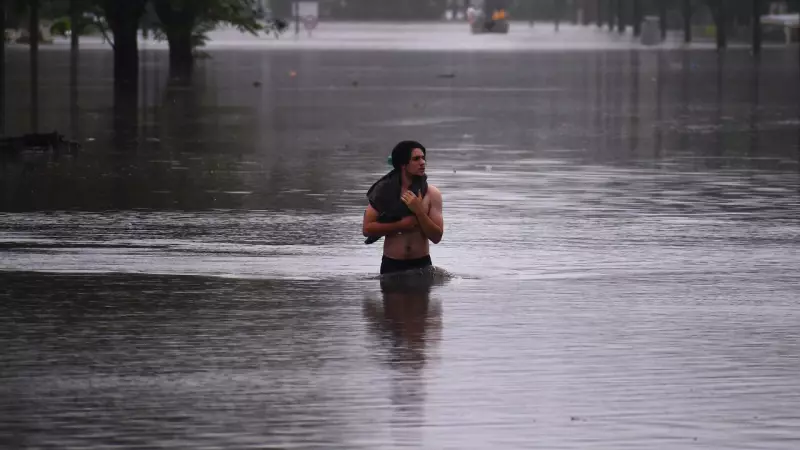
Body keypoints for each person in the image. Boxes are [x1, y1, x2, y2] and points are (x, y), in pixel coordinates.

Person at [362, 141, 444, 275]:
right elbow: (367, 229)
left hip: (421, 265)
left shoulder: (431, 193)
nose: (422, 162)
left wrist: (419, 211)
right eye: (416, 159)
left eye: (423, 158)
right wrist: (401, 225)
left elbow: (436, 237)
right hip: (391, 264)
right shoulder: (384, 192)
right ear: (403, 164)